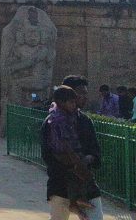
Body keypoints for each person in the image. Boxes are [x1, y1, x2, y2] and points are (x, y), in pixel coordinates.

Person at [41, 85, 102, 219]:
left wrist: (88, 159)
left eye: (85, 94)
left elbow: (95, 151)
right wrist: (71, 166)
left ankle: (78, 200)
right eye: (79, 94)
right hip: (60, 184)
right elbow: (48, 155)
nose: (83, 98)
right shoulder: (52, 122)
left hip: (86, 183)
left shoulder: (84, 121)